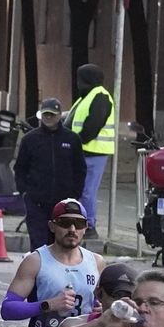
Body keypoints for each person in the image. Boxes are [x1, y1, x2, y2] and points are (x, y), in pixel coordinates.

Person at [1, 197, 104, 327]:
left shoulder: (96, 262)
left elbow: (103, 303)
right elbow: (8, 309)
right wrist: (48, 305)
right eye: (65, 223)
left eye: (79, 224)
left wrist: (101, 308)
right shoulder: (35, 261)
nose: (72, 230)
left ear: (86, 227)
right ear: (52, 226)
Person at [14, 98, 87, 248]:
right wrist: (25, 193)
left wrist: (75, 194)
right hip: (37, 202)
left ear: (60, 115)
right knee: (38, 243)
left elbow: (80, 169)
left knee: (60, 243)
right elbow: (20, 168)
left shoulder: (72, 139)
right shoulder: (30, 139)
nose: (49, 118)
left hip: (63, 204)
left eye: (52, 115)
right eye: (45, 114)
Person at [68, 63, 115, 233]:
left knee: (87, 191)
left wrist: (75, 142)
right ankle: (81, 221)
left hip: (94, 151)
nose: (78, 83)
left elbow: (92, 126)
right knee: (81, 190)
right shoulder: (87, 96)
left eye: (80, 79)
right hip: (84, 150)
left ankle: (89, 225)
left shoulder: (100, 97)